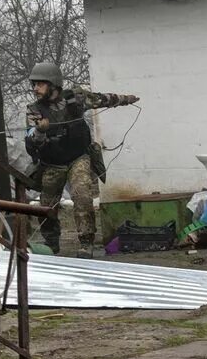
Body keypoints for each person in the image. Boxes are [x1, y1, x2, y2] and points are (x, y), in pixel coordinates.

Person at [23, 61, 138, 255]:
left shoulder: (75, 99)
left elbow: (103, 99)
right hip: (52, 163)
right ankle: (51, 243)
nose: (35, 89)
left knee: (82, 195)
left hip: (78, 158)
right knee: (46, 206)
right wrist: (40, 132)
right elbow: (32, 142)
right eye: (34, 84)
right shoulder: (34, 110)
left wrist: (127, 99)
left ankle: (86, 243)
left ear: (53, 84)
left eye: (40, 84)